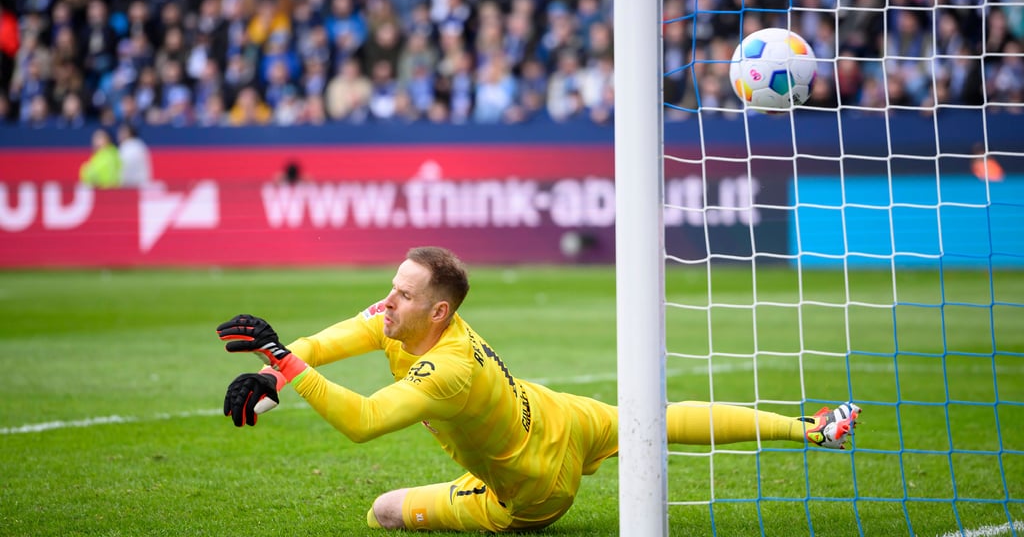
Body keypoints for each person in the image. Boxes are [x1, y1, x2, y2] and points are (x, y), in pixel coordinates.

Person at [217, 246, 861, 533]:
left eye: (402, 294)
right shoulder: (405, 320)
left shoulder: (447, 370)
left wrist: (284, 364)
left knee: (382, 511)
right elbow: (324, 344)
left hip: (532, 486)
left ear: (437, 313)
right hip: (558, 413)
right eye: (391, 287)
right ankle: (811, 428)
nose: (386, 303)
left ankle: (807, 430)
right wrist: (279, 368)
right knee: (651, 419)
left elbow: (361, 420)